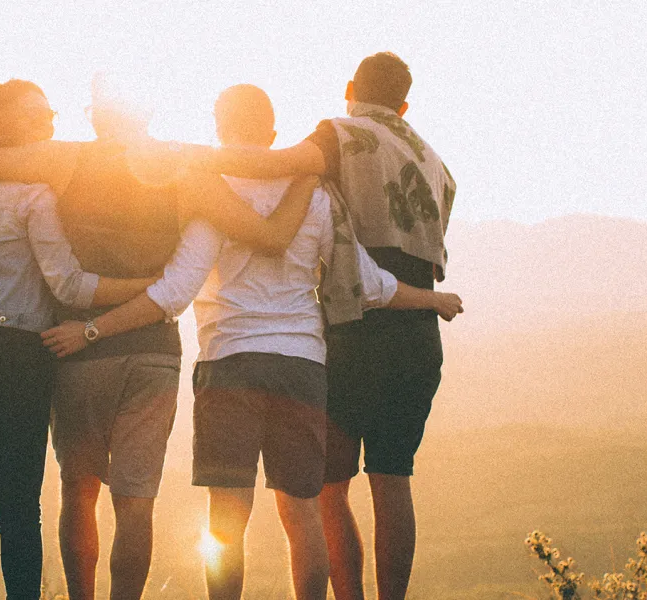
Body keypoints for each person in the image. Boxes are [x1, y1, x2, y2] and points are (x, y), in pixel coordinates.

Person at [40, 84, 462, 600]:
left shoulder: (212, 193)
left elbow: (175, 292)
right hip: (303, 364)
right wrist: (430, 299)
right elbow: (366, 281)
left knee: (226, 518)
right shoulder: (318, 195)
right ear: (274, 131)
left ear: (219, 128)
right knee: (302, 511)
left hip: (229, 364)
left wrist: (94, 328)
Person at [0, 75, 317, 600]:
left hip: (75, 350)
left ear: (97, 114)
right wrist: (311, 165)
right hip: (153, 353)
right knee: (135, 502)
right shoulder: (185, 167)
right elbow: (270, 235)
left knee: (78, 491)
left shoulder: (64, 159)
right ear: (146, 113)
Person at [195, 53, 459, 600]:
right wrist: (430, 301)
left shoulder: (338, 134)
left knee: (328, 491)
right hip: (416, 330)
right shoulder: (435, 162)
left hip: (352, 329)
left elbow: (273, 166)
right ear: (404, 104)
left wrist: (182, 161)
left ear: (349, 89)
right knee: (393, 482)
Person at [0, 79, 158, 600]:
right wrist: (148, 289)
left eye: (50, 112)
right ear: (4, 123)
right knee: (18, 509)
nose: (49, 122)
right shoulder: (34, 194)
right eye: (36, 115)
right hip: (14, 359)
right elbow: (69, 284)